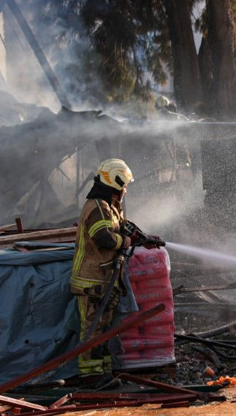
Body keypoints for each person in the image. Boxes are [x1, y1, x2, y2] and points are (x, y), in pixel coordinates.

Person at [69, 158, 134, 384]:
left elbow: (123, 227)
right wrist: (125, 242)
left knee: (104, 327)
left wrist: (143, 239)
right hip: (92, 280)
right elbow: (104, 238)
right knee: (93, 329)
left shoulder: (110, 206)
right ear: (114, 184)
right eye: (124, 185)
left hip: (104, 279)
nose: (125, 190)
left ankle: (103, 374)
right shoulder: (97, 206)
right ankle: (91, 377)